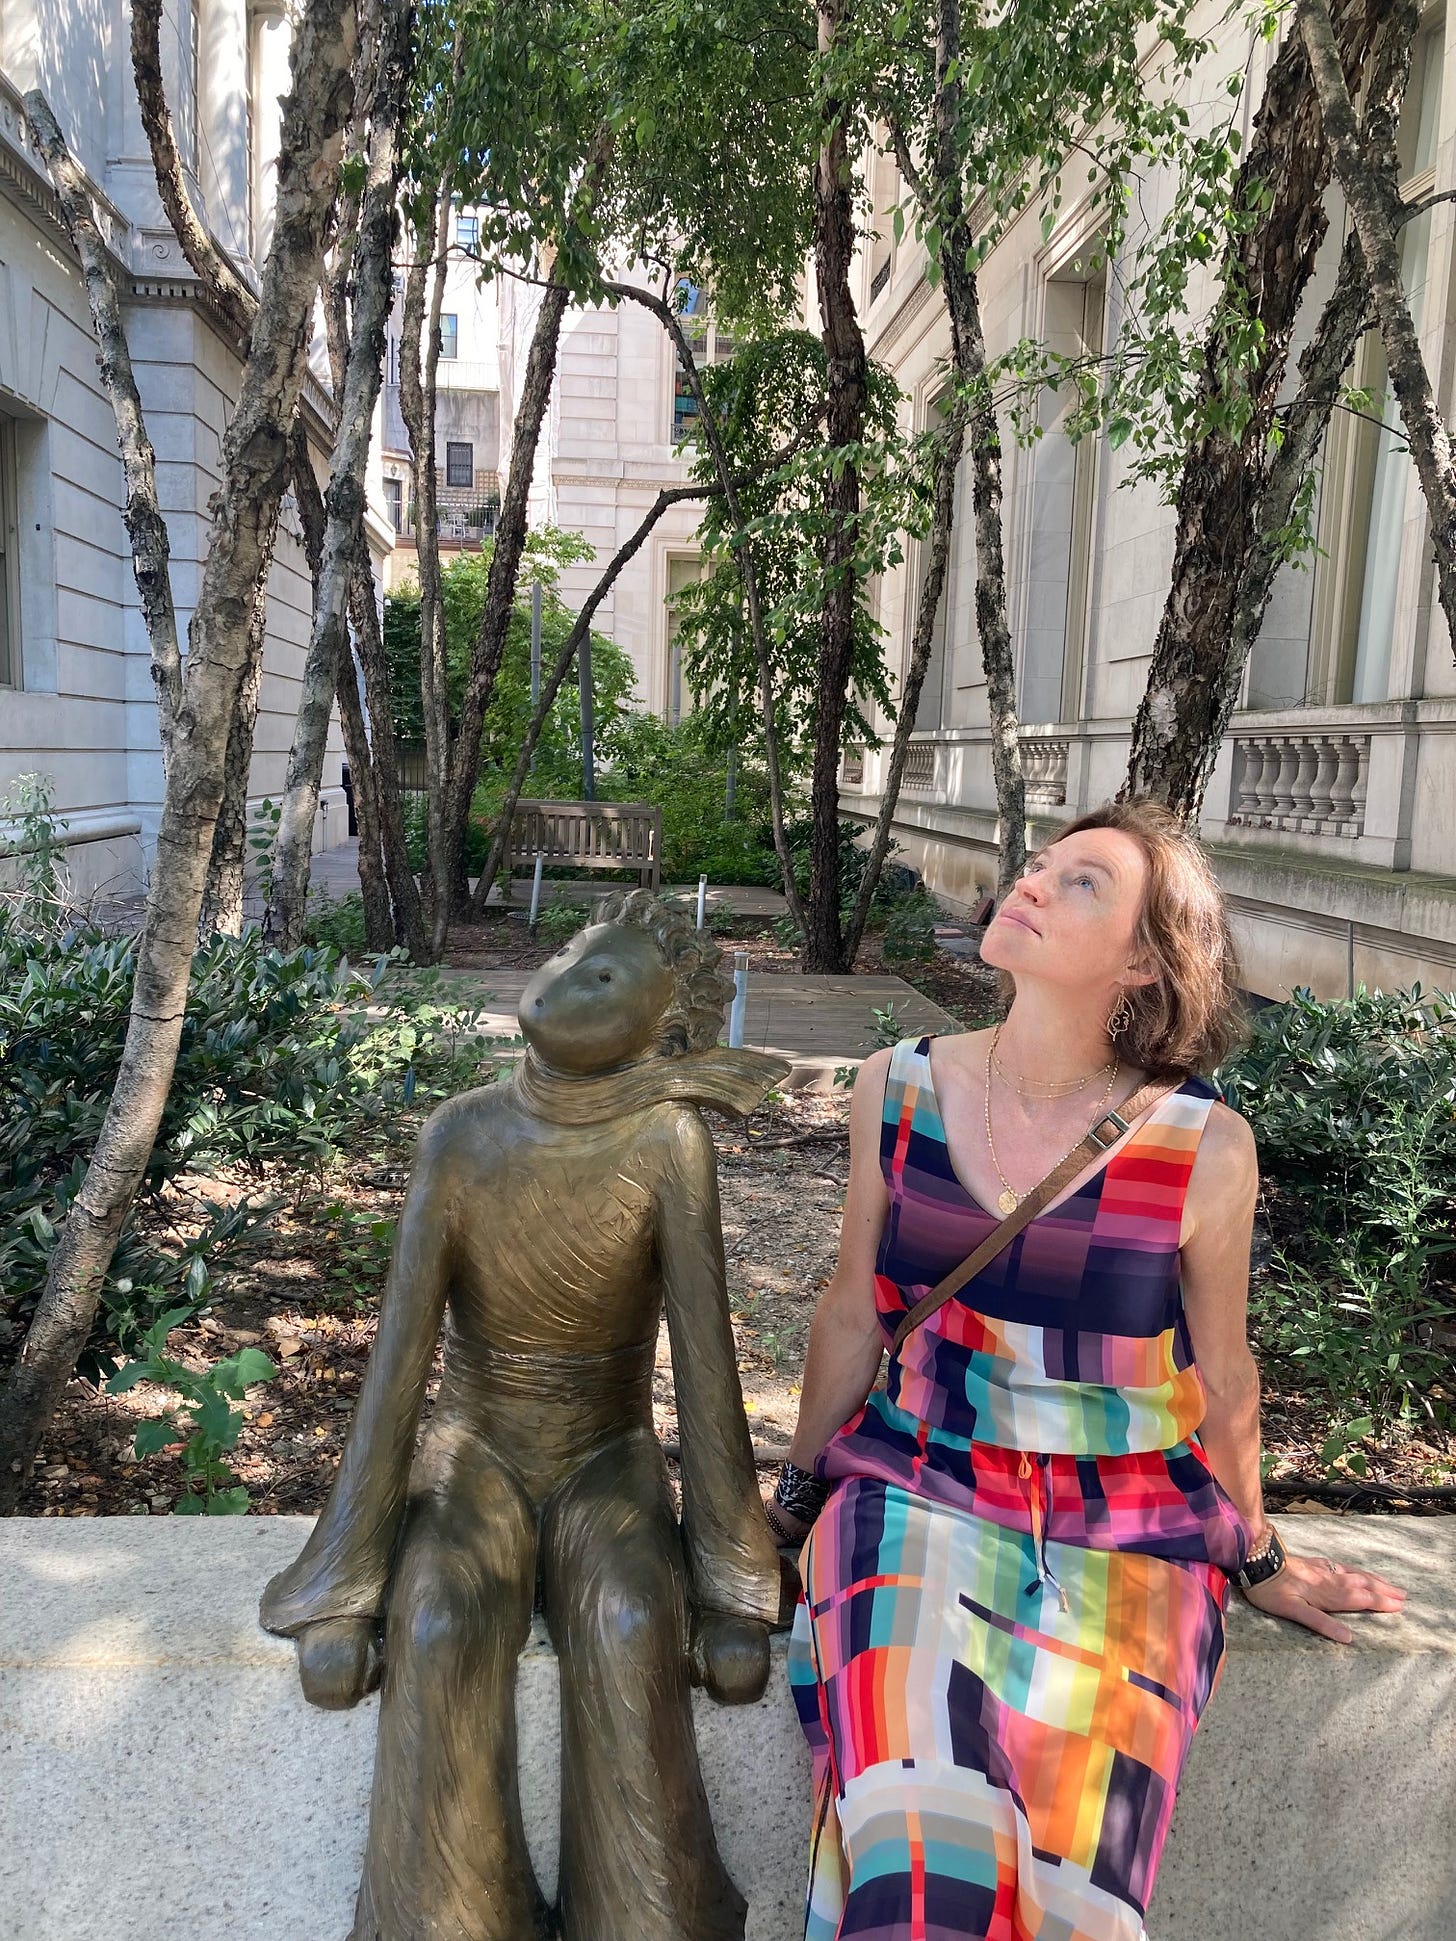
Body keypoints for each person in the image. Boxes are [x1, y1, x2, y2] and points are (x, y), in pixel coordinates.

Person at [769, 800, 1407, 1941]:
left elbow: (1226, 1376)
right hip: (917, 1484)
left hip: (1133, 1532)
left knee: (1074, 1896)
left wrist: (1252, 1550)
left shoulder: (1202, 1146)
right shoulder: (896, 1085)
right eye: (1042, 866)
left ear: (1146, 962)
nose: (1029, 882)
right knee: (917, 1847)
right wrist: (793, 1495)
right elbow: (849, 1313)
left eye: (1083, 885)